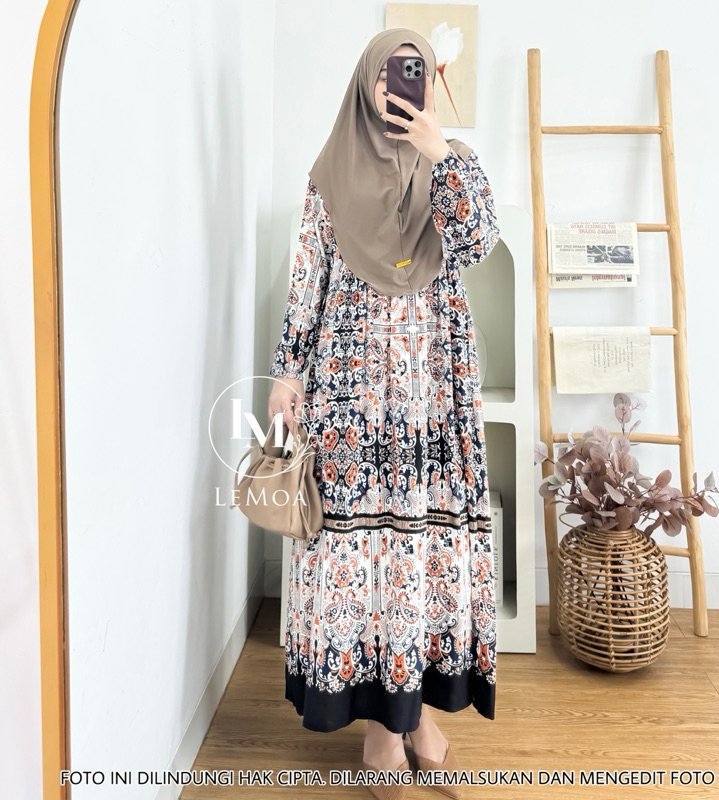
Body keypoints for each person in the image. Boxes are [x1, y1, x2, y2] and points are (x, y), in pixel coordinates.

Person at [267, 27, 499, 800]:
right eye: (388, 74)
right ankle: (381, 732)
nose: (400, 86)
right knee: (365, 554)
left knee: (421, 553)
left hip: (435, 391)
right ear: (366, 84)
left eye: (415, 72)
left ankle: (415, 720)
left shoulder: (453, 164)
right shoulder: (329, 172)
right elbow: (307, 278)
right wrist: (286, 374)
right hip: (351, 393)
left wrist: (441, 151)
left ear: (430, 84)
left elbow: (477, 242)